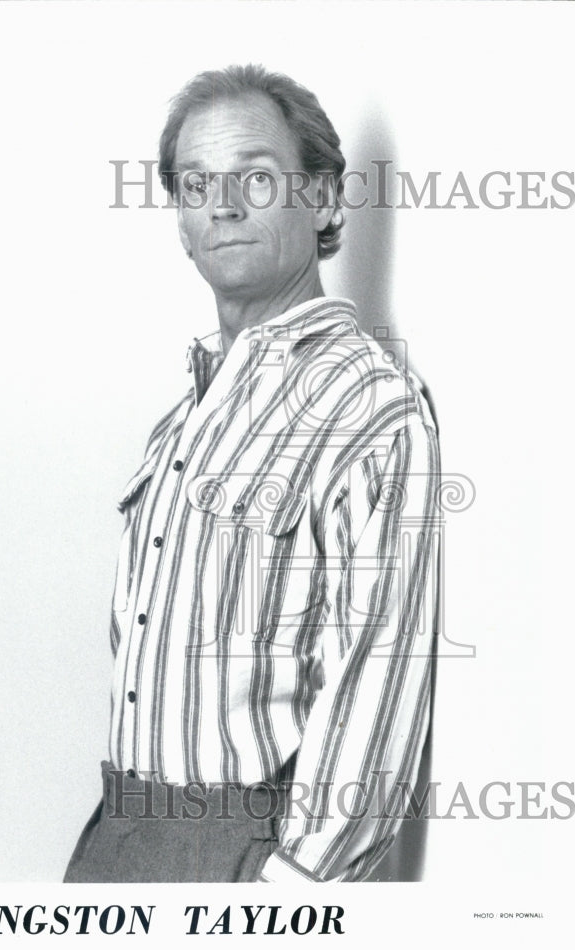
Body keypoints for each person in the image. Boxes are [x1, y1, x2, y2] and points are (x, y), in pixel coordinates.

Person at [65, 64, 440, 883]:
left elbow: (379, 672)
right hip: (117, 832)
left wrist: (290, 894)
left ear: (326, 201)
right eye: (197, 183)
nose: (220, 205)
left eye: (255, 178)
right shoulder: (182, 419)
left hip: (241, 855)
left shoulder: (365, 402)